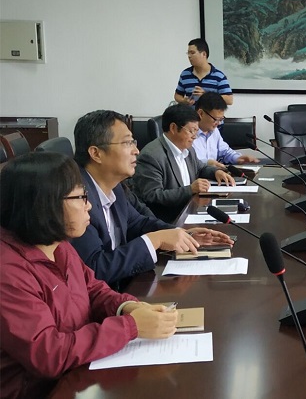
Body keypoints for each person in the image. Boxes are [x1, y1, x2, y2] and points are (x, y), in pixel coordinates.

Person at [0, 152, 178, 398]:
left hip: (77, 376)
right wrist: (130, 327)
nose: (89, 205)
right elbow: (48, 354)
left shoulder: (58, 245)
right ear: (44, 204)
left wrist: (127, 307)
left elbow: (92, 288)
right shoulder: (8, 271)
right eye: (81, 197)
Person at [72, 110, 233, 288]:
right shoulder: (75, 199)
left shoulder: (114, 186)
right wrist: (155, 240)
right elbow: (94, 268)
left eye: (133, 142)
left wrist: (181, 234)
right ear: (96, 153)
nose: (136, 151)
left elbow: (137, 223)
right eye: (127, 143)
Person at [133, 104, 236, 223]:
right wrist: (190, 190)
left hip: (191, 211)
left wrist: (216, 172)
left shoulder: (188, 149)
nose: (195, 137)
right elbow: (153, 196)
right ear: (173, 128)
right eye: (191, 131)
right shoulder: (152, 156)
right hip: (169, 221)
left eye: (196, 131)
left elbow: (200, 168)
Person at [193, 92, 259, 168]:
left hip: (213, 173)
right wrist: (207, 163)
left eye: (221, 119)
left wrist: (237, 158)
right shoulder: (188, 133)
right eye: (216, 119)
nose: (218, 123)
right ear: (201, 113)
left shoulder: (214, 131)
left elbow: (224, 151)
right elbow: (188, 162)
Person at [173, 38, 233, 106]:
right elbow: (177, 95)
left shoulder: (219, 76)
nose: (189, 56)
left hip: (210, 113)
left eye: (192, 53)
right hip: (190, 112)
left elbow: (229, 100)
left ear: (204, 54)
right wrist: (184, 101)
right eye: (188, 53)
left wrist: (207, 96)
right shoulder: (185, 74)